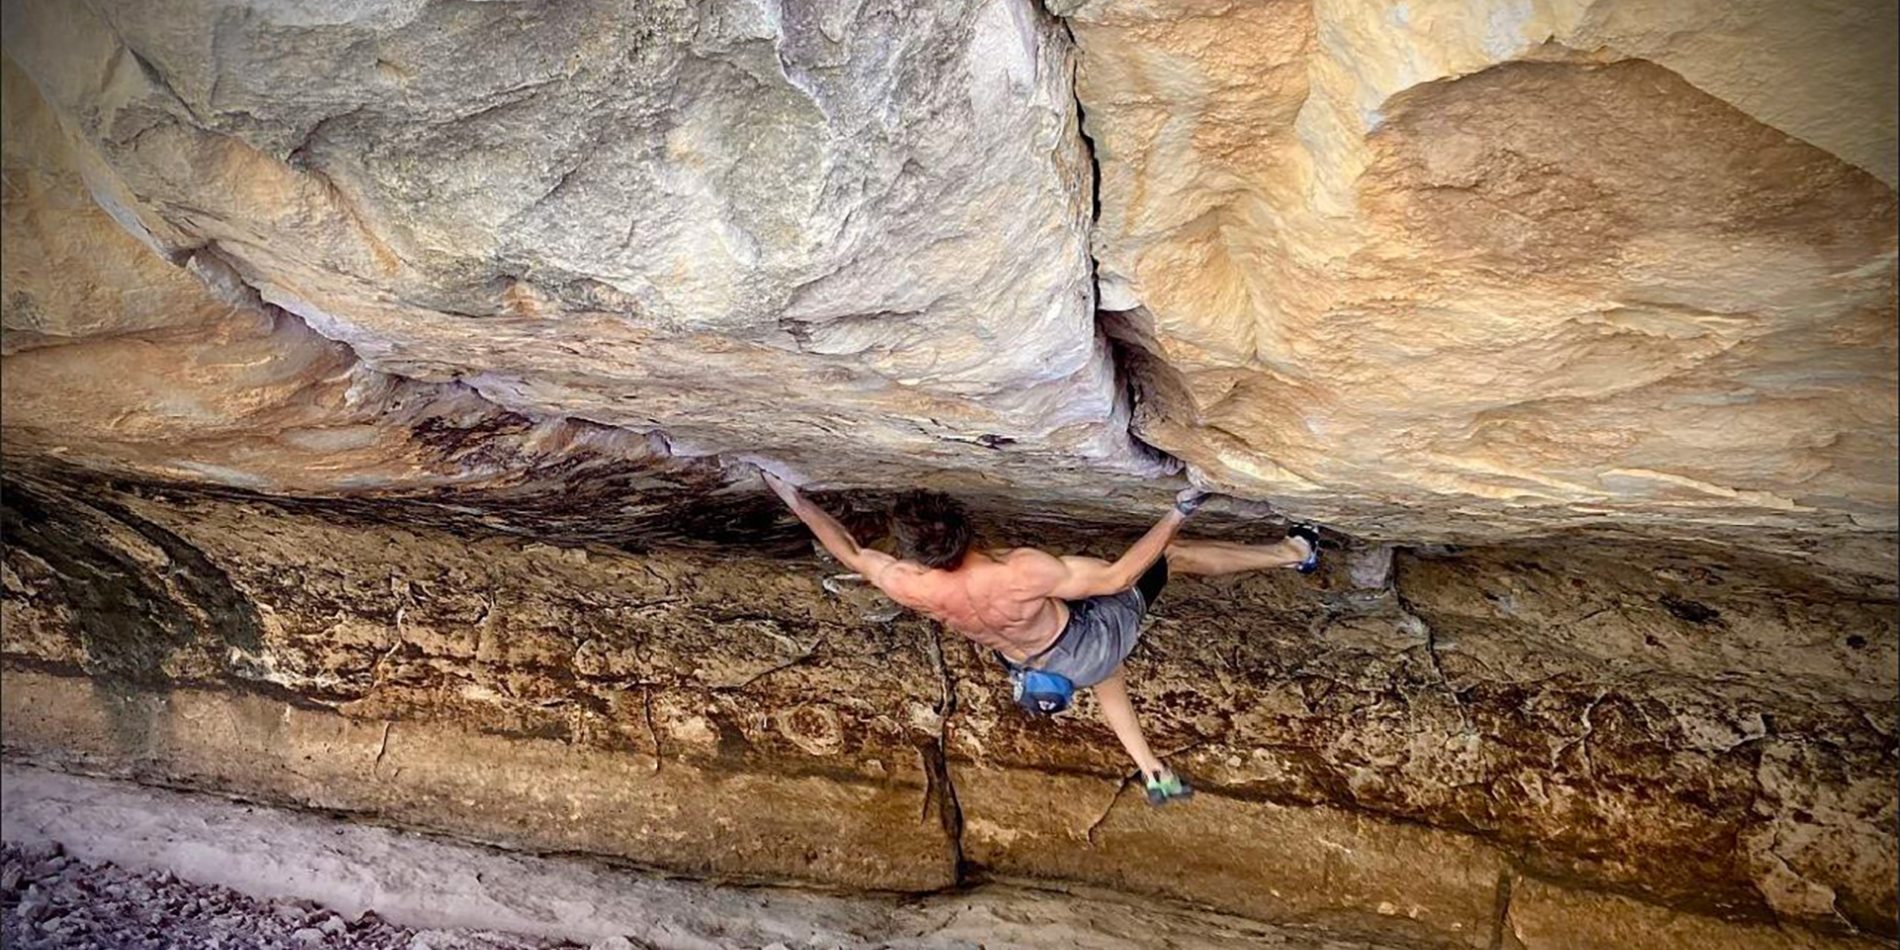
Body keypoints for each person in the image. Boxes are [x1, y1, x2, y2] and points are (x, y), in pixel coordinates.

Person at [758, 470, 1319, 805]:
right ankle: (1296, 553)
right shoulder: (1022, 571)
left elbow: (849, 552)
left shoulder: (910, 585)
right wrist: (1177, 511)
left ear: (916, 553)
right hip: (1086, 641)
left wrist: (792, 496)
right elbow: (1120, 575)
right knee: (1166, 560)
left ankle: (1155, 773)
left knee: (1105, 680)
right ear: (967, 529)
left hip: (1029, 663)